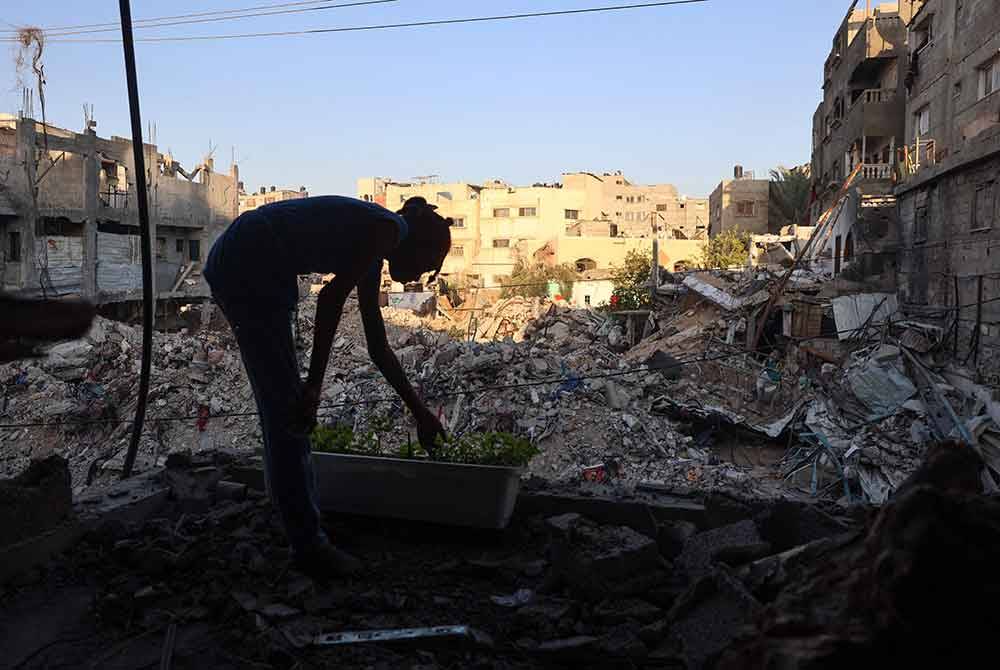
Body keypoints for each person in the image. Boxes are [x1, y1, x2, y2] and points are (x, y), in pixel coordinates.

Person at [204, 195, 451, 580]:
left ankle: (295, 520)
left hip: (247, 257)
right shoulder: (390, 228)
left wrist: (420, 414)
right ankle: (308, 545)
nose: (425, 274)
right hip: (250, 262)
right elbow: (331, 299)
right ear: (421, 244)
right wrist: (314, 387)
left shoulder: (373, 250)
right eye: (431, 264)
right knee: (290, 416)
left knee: (283, 410)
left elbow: (378, 347)